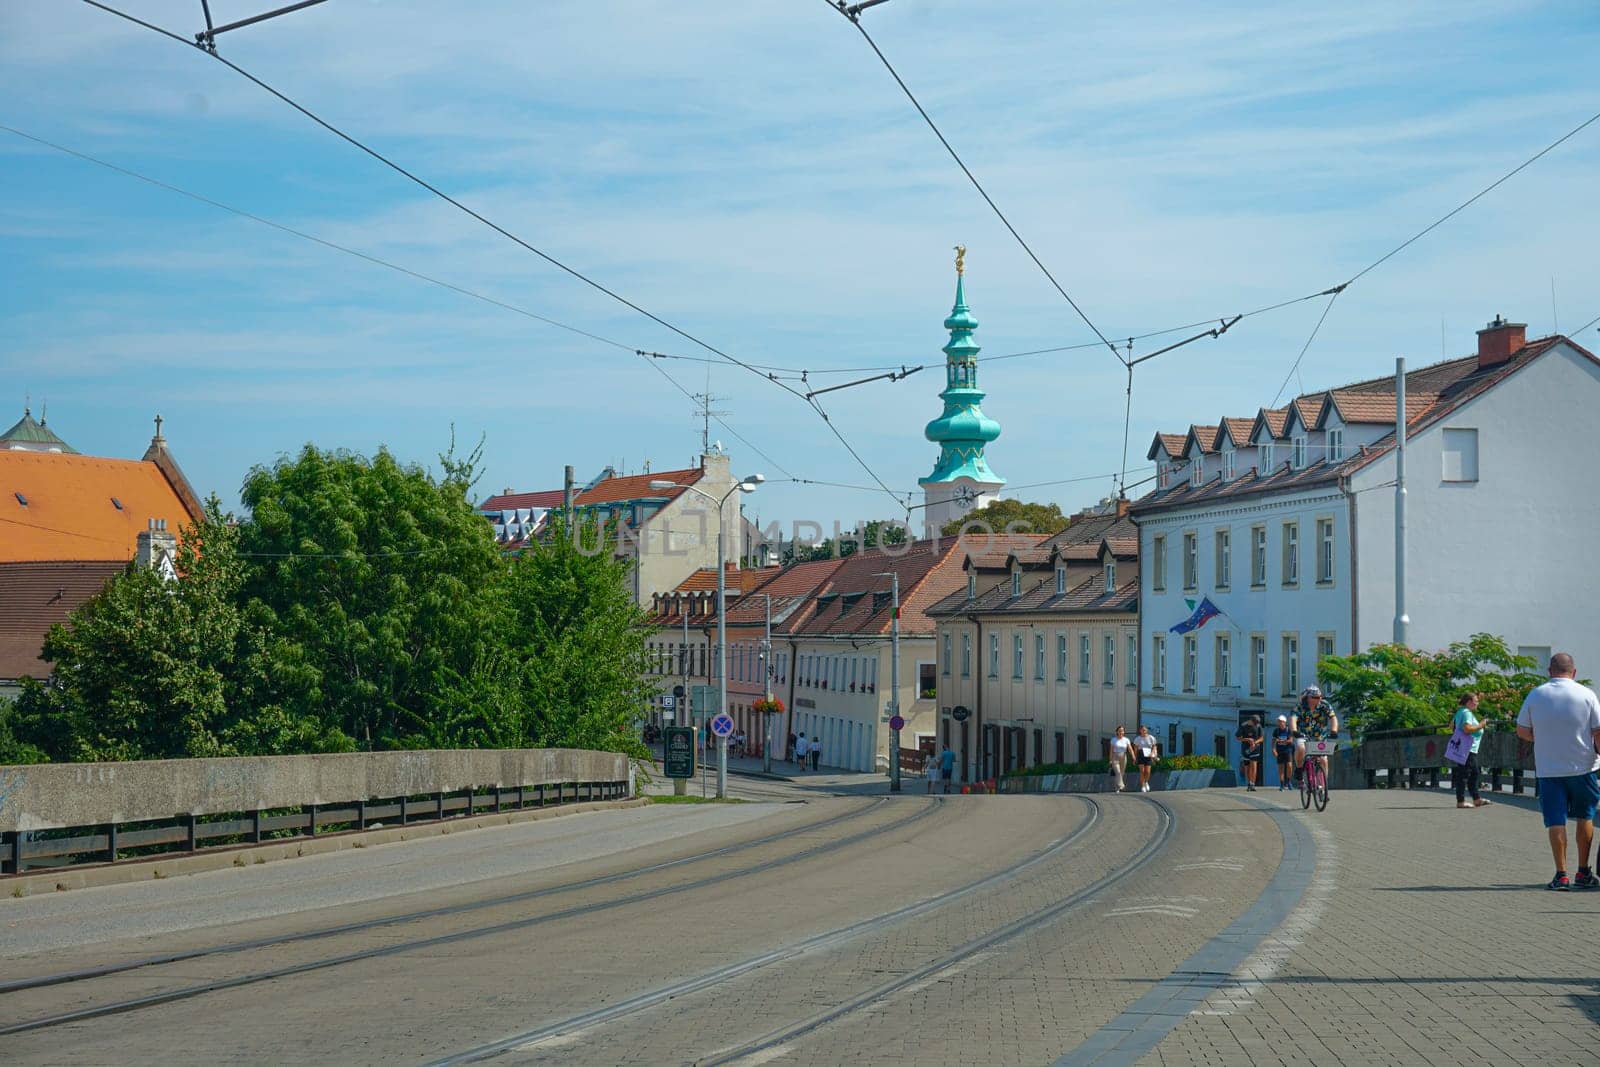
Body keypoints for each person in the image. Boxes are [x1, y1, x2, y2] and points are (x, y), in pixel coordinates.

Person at [1515, 652, 1600, 891]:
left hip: (1549, 769)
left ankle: (1561, 875)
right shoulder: (1586, 694)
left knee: (1556, 820)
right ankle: (1583, 872)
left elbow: (1521, 730)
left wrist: (1540, 739)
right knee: (1586, 816)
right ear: (1574, 673)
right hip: (1584, 767)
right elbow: (1598, 731)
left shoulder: (1536, 694)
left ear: (1549, 672)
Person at [1290, 686, 1338, 786]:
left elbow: (1333, 718)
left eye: (1320, 697)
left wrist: (1334, 730)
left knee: (1324, 760)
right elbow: (1293, 719)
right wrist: (1294, 731)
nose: (1319, 699)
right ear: (1308, 698)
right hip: (1304, 736)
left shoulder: (1324, 705)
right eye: (1315, 697)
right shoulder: (1299, 706)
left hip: (1320, 737)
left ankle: (1324, 787)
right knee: (1300, 747)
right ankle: (1299, 768)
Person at [1452, 692, 1491, 810]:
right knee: (1464, 774)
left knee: (1474, 773)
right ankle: (1461, 801)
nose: (1477, 703)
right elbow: (1467, 728)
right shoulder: (1467, 713)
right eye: (1476, 701)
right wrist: (1481, 725)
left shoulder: (1460, 712)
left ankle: (1476, 799)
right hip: (1468, 748)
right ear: (1469, 702)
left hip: (1465, 747)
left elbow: (1451, 725)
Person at [1235, 716, 1263, 792]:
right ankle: (1249, 783)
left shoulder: (1258, 726)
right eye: (1254, 723)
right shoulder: (1243, 726)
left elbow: (1261, 738)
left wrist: (1255, 742)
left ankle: (1252, 784)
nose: (1255, 725)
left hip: (1255, 749)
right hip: (1245, 749)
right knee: (1247, 767)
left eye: (1256, 724)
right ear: (1251, 721)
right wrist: (1247, 739)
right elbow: (1237, 737)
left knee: (1254, 766)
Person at [1131, 725, 1159, 792]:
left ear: (1147, 730)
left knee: (1148, 772)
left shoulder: (1151, 738)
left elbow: (1154, 746)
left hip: (1148, 754)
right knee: (1142, 771)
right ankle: (1143, 785)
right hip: (1140, 755)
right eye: (1142, 730)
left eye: (1145, 730)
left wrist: (1152, 753)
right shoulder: (1137, 739)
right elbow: (1135, 749)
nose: (1144, 731)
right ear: (1140, 731)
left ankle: (1146, 782)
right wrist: (1135, 758)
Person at [1272, 714, 1295, 790]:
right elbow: (1273, 740)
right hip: (1280, 751)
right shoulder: (1276, 731)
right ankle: (1281, 784)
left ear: (1284, 722)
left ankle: (1288, 781)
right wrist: (1273, 749)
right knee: (1280, 767)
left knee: (1289, 766)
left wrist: (1283, 741)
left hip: (1287, 750)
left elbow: (1291, 740)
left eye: (1280, 721)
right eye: (1278, 721)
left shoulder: (1289, 730)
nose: (1279, 723)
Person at [1108, 726, 1132, 793]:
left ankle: (1117, 788)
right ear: (1117, 732)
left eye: (1122, 731)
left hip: (1123, 756)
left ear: (1124, 732)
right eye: (1119, 731)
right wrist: (1110, 760)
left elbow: (1130, 749)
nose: (1121, 732)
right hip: (1115, 756)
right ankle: (1121, 785)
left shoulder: (1126, 740)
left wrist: (1133, 756)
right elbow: (1111, 751)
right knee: (1118, 772)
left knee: (1121, 773)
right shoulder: (1113, 740)